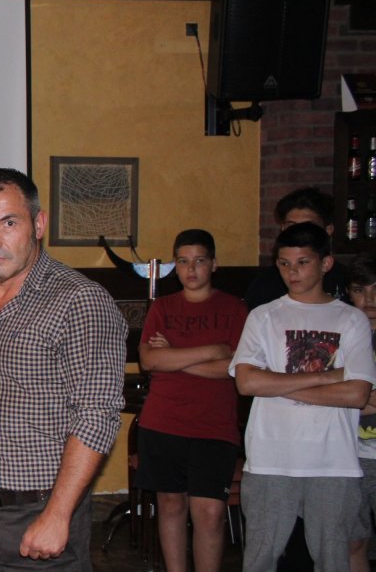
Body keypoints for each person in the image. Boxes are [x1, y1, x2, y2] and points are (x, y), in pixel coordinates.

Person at [0, 168, 126, 570]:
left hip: (38, 513)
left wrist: (57, 515)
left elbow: (96, 416)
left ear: (38, 224)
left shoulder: (79, 302)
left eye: (9, 223)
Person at [229, 222, 376, 572]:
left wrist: (279, 384)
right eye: (284, 263)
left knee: (333, 560)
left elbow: (357, 393)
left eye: (302, 262)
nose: (292, 272)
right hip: (269, 458)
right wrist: (327, 376)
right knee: (260, 559)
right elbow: (248, 383)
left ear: (325, 264)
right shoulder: (263, 316)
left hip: (333, 461)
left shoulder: (351, 319)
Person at [136, 229, 248, 572]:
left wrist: (175, 357)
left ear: (214, 264)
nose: (191, 269)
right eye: (183, 262)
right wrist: (212, 351)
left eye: (199, 260)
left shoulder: (234, 308)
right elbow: (150, 361)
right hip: (163, 422)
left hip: (214, 427)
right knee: (170, 505)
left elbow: (233, 368)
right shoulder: (163, 308)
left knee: (210, 513)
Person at [245, 187, 346, 309]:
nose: (299, 233)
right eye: (291, 226)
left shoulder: (346, 279)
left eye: (308, 227)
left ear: (328, 230)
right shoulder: (266, 283)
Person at [345, 256, 376, 572]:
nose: (369, 301)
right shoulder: (342, 336)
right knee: (352, 542)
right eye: (359, 290)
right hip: (347, 454)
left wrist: (354, 397)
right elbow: (330, 397)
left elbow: (350, 397)